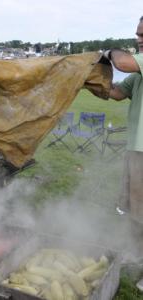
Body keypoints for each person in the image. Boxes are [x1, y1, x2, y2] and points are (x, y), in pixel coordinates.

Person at [103, 17, 143, 240]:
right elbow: (116, 93)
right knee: (134, 202)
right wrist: (85, 79)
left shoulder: (136, 65)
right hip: (135, 148)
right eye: (138, 34)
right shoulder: (138, 75)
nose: (139, 39)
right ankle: (136, 251)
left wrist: (108, 52)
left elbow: (122, 63)